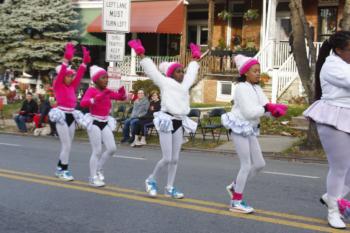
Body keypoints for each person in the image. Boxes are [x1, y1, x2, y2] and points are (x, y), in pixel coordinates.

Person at [129, 39, 200, 199]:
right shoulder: (165, 82)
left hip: (178, 122)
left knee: (175, 159)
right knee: (167, 158)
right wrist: (142, 55)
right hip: (166, 121)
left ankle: (170, 187)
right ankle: (151, 180)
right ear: (170, 74)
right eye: (178, 71)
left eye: (182, 71)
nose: (182, 73)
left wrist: (195, 60)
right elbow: (153, 71)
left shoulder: (184, 85)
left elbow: (192, 73)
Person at [221, 54, 287, 214]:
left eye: (259, 70)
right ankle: (236, 201)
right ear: (245, 72)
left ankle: (235, 186)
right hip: (239, 126)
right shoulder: (241, 88)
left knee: (259, 164)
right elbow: (250, 112)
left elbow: (265, 107)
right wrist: (267, 109)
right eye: (255, 71)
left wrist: (274, 112)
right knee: (246, 165)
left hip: (249, 128)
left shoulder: (257, 88)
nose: (258, 73)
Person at [303, 31, 350, 229]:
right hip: (333, 116)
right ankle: (333, 211)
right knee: (339, 168)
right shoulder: (332, 66)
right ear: (339, 50)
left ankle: (331, 197)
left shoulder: (344, 63)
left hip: (346, 115)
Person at [48, 43, 90, 181]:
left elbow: (79, 75)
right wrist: (66, 60)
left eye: (71, 76)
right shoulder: (58, 84)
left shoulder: (72, 85)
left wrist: (84, 63)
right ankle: (64, 171)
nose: (71, 78)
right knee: (66, 145)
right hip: (61, 115)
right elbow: (61, 75)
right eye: (68, 76)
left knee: (68, 146)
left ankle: (59, 168)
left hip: (71, 115)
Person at [80, 65, 126, 187]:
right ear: (95, 80)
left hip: (105, 122)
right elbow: (83, 103)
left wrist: (121, 89)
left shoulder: (107, 91)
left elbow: (121, 97)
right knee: (97, 151)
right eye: (103, 77)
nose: (106, 80)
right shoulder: (91, 90)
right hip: (94, 121)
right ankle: (92, 177)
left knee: (112, 148)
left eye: (107, 77)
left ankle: (99, 168)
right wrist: (95, 99)